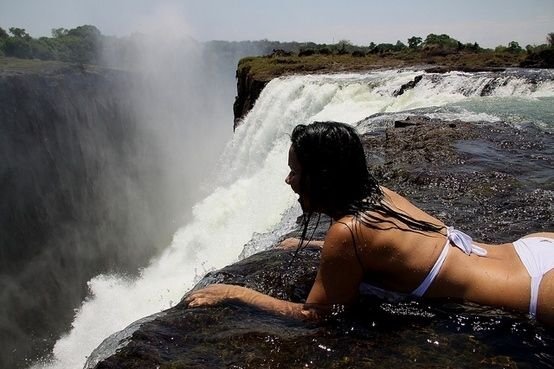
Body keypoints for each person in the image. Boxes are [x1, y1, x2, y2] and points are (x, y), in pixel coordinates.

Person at [185, 121, 554, 325]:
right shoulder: (379, 194)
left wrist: (235, 293)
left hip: (531, 291)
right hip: (531, 251)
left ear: (322, 178)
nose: (289, 180)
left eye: (295, 171)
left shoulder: (347, 233)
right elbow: (389, 250)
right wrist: (320, 249)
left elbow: (314, 316)